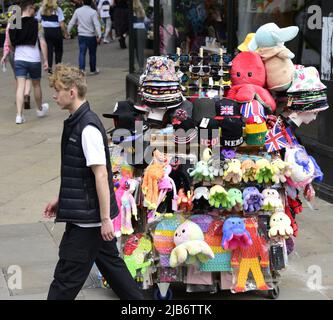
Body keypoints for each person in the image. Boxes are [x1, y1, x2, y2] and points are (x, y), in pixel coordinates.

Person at [45, 64, 144, 300]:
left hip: (88, 221)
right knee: (115, 271)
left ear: (72, 92)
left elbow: (100, 174)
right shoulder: (77, 122)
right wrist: (62, 199)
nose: (54, 95)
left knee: (65, 281)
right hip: (87, 215)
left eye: (58, 90)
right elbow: (80, 173)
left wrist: (104, 220)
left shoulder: (87, 127)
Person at [8, 0, 49, 124]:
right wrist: (46, 60)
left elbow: (10, 43)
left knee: (20, 86)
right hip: (34, 59)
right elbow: (42, 42)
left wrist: (15, 50)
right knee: (36, 84)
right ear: (29, 8)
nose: (34, 12)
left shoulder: (15, 22)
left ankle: (19, 116)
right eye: (34, 9)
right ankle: (40, 109)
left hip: (19, 58)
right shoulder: (37, 23)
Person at [1, 16, 32, 109]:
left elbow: (7, 43)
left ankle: (19, 97)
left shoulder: (9, 27)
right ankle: (26, 94)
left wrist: (4, 55)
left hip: (12, 53)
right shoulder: (27, 25)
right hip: (25, 52)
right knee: (28, 77)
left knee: (18, 77)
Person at [67, 0, 101, 75]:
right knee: (92, 53)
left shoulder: (78, 11)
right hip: (91, 35)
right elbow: (97, 24)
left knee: (82, 53)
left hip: (81, 35)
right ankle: (93, 70)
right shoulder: (93, 12)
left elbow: (72, 22)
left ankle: (82, 70)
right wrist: (99, 35)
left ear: (83, 2)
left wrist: (67, 31)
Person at [36, 0, 70, 74]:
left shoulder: (41, 9)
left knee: (49, 50)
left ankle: (50, 69)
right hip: (56, 31)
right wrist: (65, 33)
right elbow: (61, 24)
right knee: (58, 50)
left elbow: (37, 20)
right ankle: (58, 69)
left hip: (46, 31)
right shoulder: (58, 9)